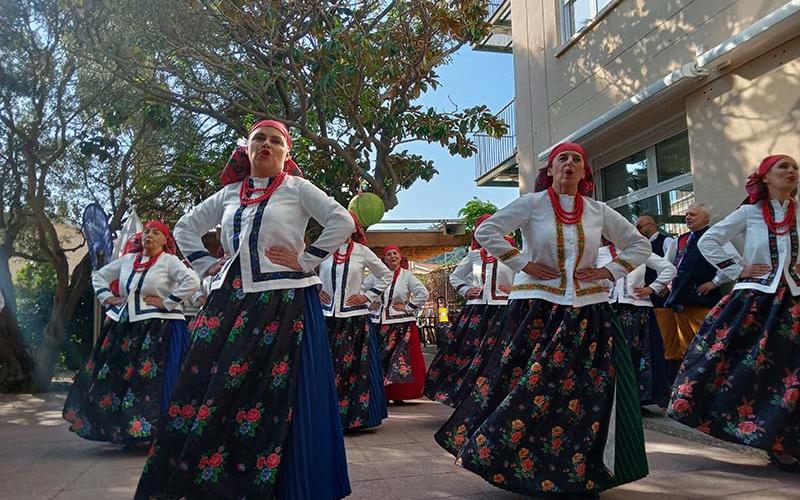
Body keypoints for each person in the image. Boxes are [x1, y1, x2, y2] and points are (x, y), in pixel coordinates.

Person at [134, 120, 354, 500]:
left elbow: (342, 220)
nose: (266, 145)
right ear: (247, 150)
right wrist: (205, 264)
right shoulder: (229, 195)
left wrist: (306, 259)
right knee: (214, 385)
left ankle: (295, 484)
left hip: (287, 300)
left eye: (275, 141)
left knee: (285, 390)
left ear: (287, 154)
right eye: (259, 139)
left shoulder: (297, 188)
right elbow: (186, 227)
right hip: (230, 302)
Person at [435, 142, 651, 498]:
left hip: (588, 312)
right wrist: (523, 262)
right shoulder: (532, 204)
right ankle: (522, 467)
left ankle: (580, 473)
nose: (569, 163)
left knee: (585, 393)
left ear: (585, 173)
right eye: (561, 159)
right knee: (528, 389)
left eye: (576, 159)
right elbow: (486, 232)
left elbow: (638, 246)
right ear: (549, 171)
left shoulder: (598, 211)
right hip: (536, 309)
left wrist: (607, 271)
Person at [668, 154, 800, 472]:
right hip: (754, 300)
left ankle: (786, 441)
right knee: (738, 364)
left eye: (795, 168)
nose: (792, 172)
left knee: (791, 372)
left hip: (793, 299)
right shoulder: (750, 212)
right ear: (765, 177)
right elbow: (710, 241)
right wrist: (739, 269)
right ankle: (755, 432)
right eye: (784, 167)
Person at [63, 221, 200, 445]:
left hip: (159, 328)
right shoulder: (128, 261)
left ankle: (158, 434)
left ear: (166, 240)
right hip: (127, 328)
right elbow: (99, 276)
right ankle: (127, 431)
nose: (150, 235)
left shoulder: (169, 261)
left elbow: (192, 280)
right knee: (120, 378)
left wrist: (167, 302)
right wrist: (107, 298)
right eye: (147, 231)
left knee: (152, 381)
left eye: (157, 233)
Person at [424, 214, 514, 407]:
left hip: (504, 311)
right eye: (482, 230)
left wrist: (515, 289)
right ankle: (467, 399)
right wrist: (466, 290)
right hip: (477, 311)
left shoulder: (512, 252)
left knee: (501, 356)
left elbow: (527, 275)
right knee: (468, 354)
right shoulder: (474, 256)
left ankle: (497, 400)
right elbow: (455, 277)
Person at [319, 215, 393, 430]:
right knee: (328, 367)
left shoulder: (362, 251)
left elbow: (385, 274)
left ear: (353, 229)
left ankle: (354, 419)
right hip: (327, 317)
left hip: (354, 318)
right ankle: (326, 418)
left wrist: (367, 296)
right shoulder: (323, 247)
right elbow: (303, 268)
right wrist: (317, 288)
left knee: (355, 369)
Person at [597, 239, 676, 407]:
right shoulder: (598, 254)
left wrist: (653, 287)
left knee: (638, 352)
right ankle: (608, 398)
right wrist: (594, 287)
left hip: (637, 308)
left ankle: (636, 399)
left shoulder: (639, 252)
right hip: (607, 308)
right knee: (608, 352)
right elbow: (580, 274)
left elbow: (669, 268)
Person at [663, 204, 736, 382]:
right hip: (681, 302)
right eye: (686, 214)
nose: (688, 217)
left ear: (706, 219)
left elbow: (733, 263)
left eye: (693, 214)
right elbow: (669, 265)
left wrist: (714, 282)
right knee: (686, 350)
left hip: (702, 302)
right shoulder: (681, 240)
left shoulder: (715, 237)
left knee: (705, 347)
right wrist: (665, 283)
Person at [376, 245, 429, 403]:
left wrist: (408, 307)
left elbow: (423, 293)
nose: (392, 256)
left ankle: (400, 395)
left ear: (400, 257)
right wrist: (371, 303)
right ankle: (384, 394)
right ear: (384, 259)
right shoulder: (377, 276)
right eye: (388, 254)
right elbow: (364, 290)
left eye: (395, 254)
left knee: (402, 360)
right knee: (382, 358)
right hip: (381, 323)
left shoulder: (407, 276)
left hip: (402, 322)